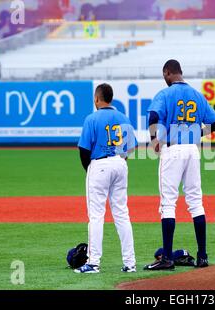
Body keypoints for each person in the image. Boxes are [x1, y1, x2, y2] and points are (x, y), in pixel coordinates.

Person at [144, 59, 215, 271]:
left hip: (173, 149)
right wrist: (197, 133)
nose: (164, 79)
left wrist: (153, 140)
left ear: (168, 72)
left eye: (164, 75)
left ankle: (167, 258)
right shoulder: (197, 95)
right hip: (192, 150)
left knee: (168, 203)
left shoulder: (165, 94)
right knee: (196, 202)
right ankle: (203, 256)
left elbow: (152, 115)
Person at [75, 83, 137, 274]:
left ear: (97, 98)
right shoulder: (123, 117)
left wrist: (90, 169)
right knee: (121, 214)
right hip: (120, 163)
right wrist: (120, 160)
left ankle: (93, 263)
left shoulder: (92, 118)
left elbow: (84, 149)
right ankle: (130, 263)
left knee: (96, 216)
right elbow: (131, 147)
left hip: (99, 165)